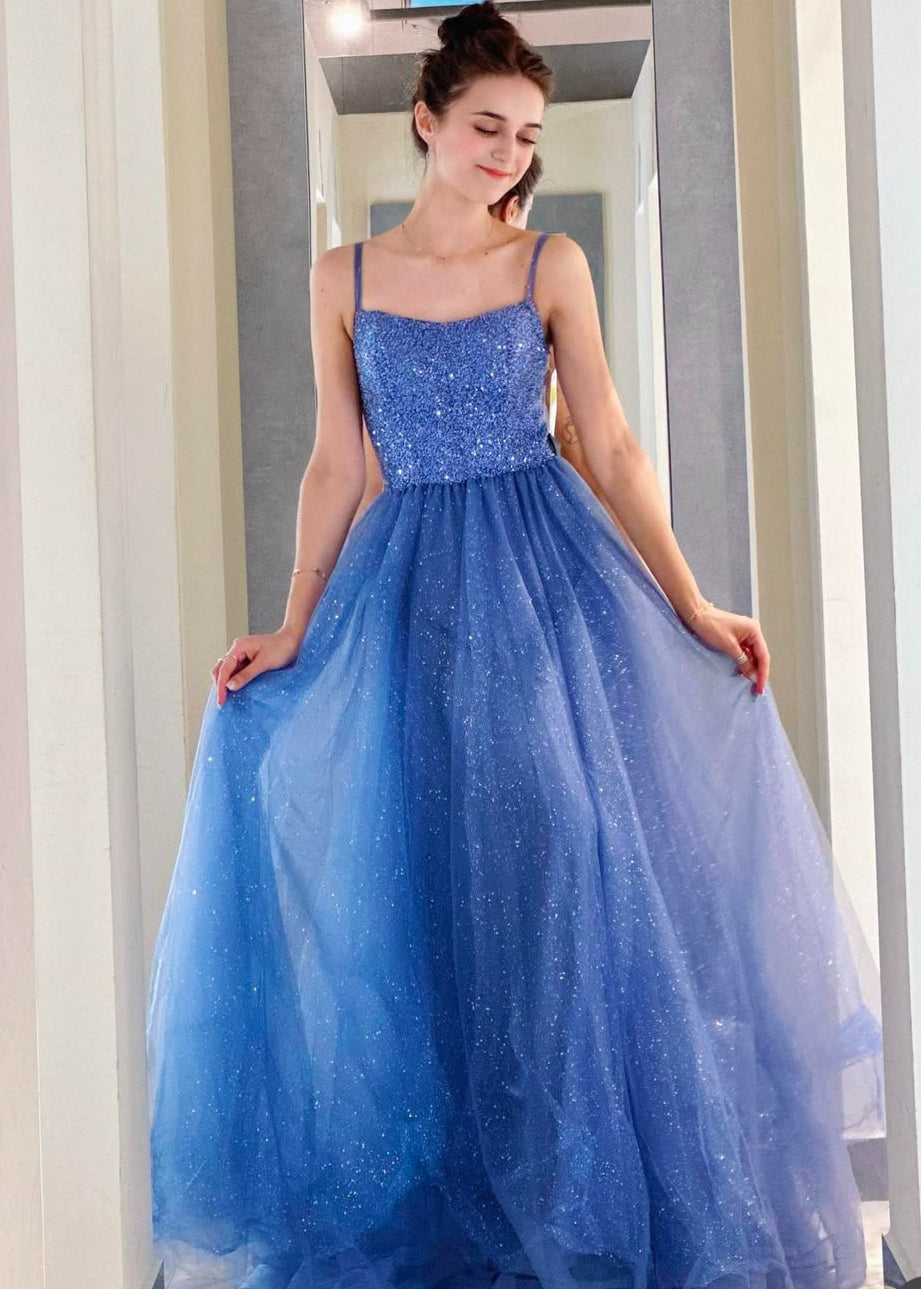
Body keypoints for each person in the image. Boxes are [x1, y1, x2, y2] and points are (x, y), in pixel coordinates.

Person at [145, 4, 885, 1289]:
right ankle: (470, 1198)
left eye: (528, 136)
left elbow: (609, 444)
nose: (508, 154)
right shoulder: (343, 279)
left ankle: (576, 1187)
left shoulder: (549, 263)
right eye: (487, 126)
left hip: (548, 587)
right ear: (425, 118)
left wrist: (692, 602)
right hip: (406, 601)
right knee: (427, 882)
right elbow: (336, 466)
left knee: (562, 856)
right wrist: (294, 624)